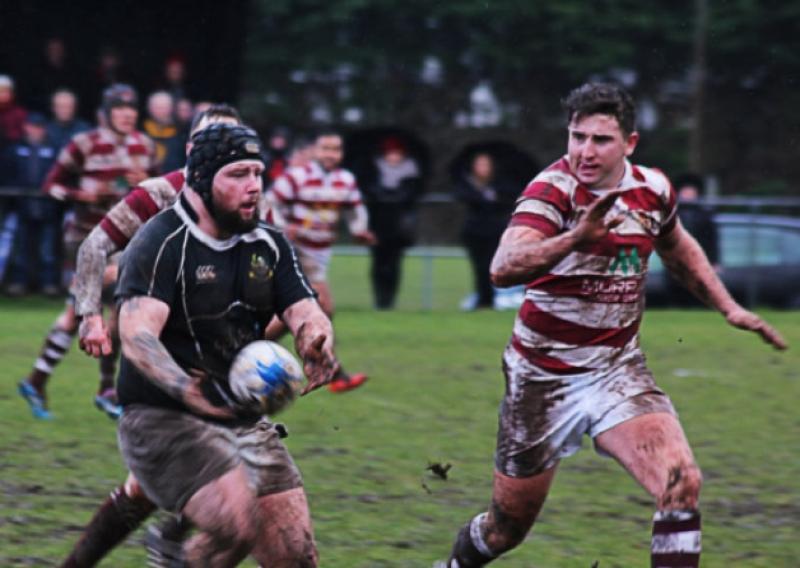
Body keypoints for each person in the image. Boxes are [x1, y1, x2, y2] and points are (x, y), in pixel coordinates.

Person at [439, 83, 787, 568]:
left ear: (630, 143)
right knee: (506, 528)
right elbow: (503, 265)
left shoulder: (652, 189)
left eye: (600, 139)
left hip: (616, 370)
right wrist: (576, 237)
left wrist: (728, 307)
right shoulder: (551, 191)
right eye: (577, 136)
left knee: (680, 480)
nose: (585, 150)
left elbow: (678, 246)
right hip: (542, 378)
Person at [114, 123, 337, 566]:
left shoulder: (268, 244)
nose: (253, 186)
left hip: (241, 416)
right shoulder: (162, 242)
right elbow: (136, 335)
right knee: (235, 525)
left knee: (296, 558)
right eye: (238, 174)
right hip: (163, 417)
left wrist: (316, 337)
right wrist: (183, 387)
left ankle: (176, 556)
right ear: (202, 180)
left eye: (257, 173)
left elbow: (304, 308)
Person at [61, 104, 243, 568]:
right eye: (211, 142)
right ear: (189, 150)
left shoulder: (251, 201)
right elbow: (95, 246)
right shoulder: (159, 194)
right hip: (158, 353)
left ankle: (166, 541)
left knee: (153, 484)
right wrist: (89, 315)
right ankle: (171, 542)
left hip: (219, 353)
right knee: (214, 474)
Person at [17, 84, 155, 420]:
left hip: (124, 242)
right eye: (120, 108)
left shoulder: (144, 144)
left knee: (81, 314)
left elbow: (150, 189)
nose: (127, 114)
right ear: (107, 112)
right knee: (111, 309)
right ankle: (106, 389)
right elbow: (52, 186)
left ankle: (40, 381)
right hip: (86, 241)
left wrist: (145, 180)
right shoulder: (84, 143)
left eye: (131, 109)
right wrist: (83, 196)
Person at [266, 130, 375, 392]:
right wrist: (283, 227)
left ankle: (249, 347)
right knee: (323, 305)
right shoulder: (297, 177)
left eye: (335, 149)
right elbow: (268, 203)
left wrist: (360, 229)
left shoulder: (345, 180)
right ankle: (332, 370)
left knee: (294, 313)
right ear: (315, 151)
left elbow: (355, 210)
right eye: (325, 148)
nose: (330, 154)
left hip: (321, 252)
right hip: (295, 249)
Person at [1, 112, 60, 296]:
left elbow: (60, 175)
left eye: (40, 127)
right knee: (21, 248)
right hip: (22, 207)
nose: (36, 131)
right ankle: (19, 283)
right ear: (26, 127)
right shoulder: (15, 149)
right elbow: (6, 174)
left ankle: (49, 284)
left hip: (48, 208)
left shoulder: (54, 149)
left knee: (47, 249)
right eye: (33, 126)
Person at [361, 136, 422, 309]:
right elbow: (369, 189)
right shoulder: (373, 169)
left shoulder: (411, 171)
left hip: (399, 226)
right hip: (378, 224)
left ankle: (390, 300)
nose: (393, 157)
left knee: (394, 264)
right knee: (378, 263)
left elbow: (411, 194)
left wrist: (394, 197)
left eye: (397, 153)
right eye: (390, 153)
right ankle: (379, 299)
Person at [455, 152, 518, 310]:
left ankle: (492, 299)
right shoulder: (468, 183)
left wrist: (491, 198)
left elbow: (506, 199)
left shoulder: (501, 184)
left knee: (493, 266)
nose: (482, 168)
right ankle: (483, 299)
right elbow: (464, 197)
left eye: (485, 164)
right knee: (479, 267)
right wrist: (483, 197)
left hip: (495, 231)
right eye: (479, 164)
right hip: (475, 232)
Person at [667, 174, 720, 307]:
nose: (688, 195)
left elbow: (712, 241)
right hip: (676, 258)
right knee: (677, 286)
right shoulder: (673, 214)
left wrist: (714, 261)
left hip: (700, 257)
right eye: (686, 192)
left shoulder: (704, 216)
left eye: (691, 192)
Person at [143, 90, 185, 172]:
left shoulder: (181, 131)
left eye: (164, 107)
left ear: (171, 109)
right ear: (149, 108)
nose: (161, 111)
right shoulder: (142, 130)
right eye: (157, 107)